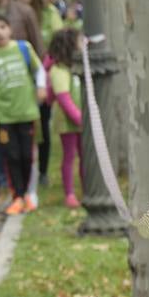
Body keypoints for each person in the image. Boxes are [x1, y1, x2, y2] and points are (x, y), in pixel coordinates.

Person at [0, 15, 46, 216]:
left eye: (2, 27)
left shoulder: (24, 48)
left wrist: (41, 86)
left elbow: (39, 69)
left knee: (27, 155)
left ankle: (29, 194)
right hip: (4, 117)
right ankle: (17, 196)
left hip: (27, 112)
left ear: (10, 29)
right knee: (12, 156)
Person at [14, 0, 61, 192]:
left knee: (42, 124)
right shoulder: (13, 16)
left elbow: (57, 42)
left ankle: (42, 170)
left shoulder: (47, 14)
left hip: (43, 75)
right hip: (18, 79)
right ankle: (23, 172)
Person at [46, 29, 84, 208]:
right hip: (68, 123)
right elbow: (64, 99)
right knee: (69, 156)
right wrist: (80, 119)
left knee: (85, 156)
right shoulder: (59, 70)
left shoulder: (76, 67)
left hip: (82, 121)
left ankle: (86, 189)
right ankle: (69, 194)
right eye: (79, 40)